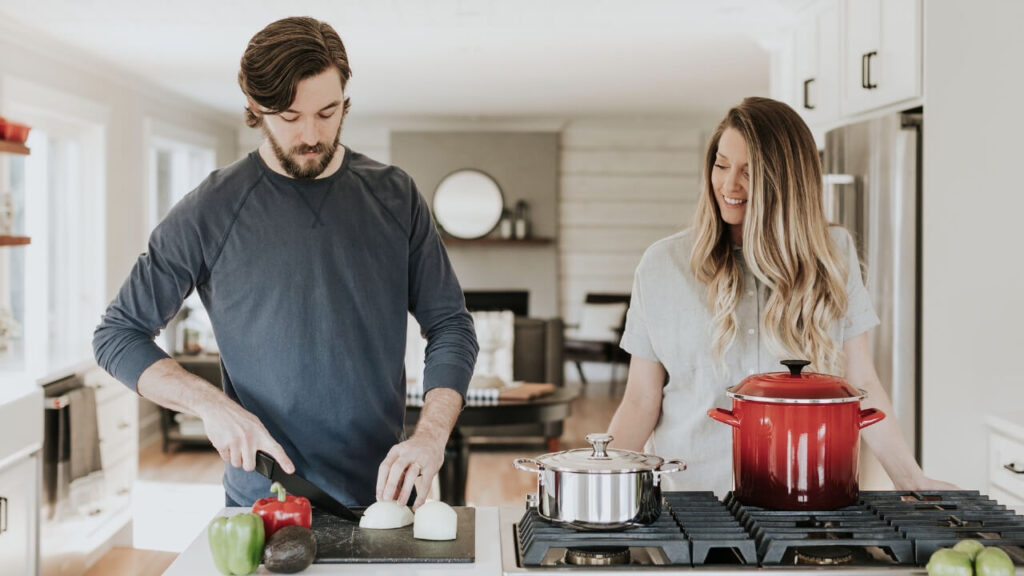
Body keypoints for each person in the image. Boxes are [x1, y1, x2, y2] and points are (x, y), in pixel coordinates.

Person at [93, 16, 478, 509]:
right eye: (290, 116)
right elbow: (117, 335)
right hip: (264, 500)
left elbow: (450, 325)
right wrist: (211, 404)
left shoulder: (394, 195)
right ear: (255, 107)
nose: (312, 134)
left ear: (345, 99)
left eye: (328, 111)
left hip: (387, 498)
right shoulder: (211, 208)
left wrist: (430, 436)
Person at [606, 97, 953, 494]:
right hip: (692, 506)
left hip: (808, 503)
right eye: (721, 165)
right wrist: (597, 487)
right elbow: (639, 400)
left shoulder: (833, 254)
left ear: (786, 183)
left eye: (749, 173)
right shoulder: (662, 264)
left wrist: (911, 480)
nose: (729, 185)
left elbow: (862, 382)